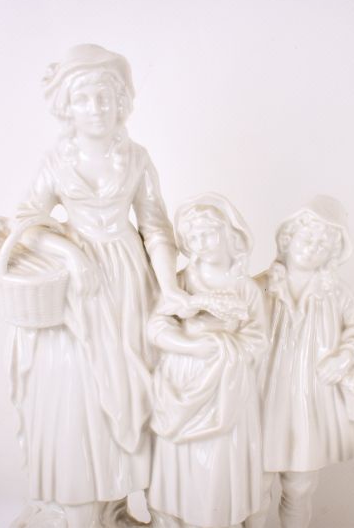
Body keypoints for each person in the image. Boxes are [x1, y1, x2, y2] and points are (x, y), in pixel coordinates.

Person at [8, 44, 187, 528]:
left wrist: (168, 289)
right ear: (67, 106)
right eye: (84, 99)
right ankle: (84, 495)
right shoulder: (56, 160)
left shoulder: (136, 158)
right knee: (81, 388)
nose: (95, 108)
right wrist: (70, 253)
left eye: (104, 97)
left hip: (129, 280)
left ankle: (124, 501)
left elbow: (156, 227)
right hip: (79, 287)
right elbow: (26, 221)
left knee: (137, 386)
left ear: (120, 102)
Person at [253, 196, 354, 528]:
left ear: (333, 253)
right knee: (255, 485)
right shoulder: (258, 286)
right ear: (288, 238)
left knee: (300, 486)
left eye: (323, 244)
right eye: (307, 238)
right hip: (262, 398)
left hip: (309, 402)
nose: (312, 248)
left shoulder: (336, 293)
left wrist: (347, 355)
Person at [146, 194, 267, 528]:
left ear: (229, 233)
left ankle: (217, 517)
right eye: (193, 237)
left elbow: (258, 338)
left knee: (218, 464)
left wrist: (222, 347)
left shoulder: (246, 289)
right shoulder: (180, 284)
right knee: (183, 464)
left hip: (227, 388)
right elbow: (156, 327)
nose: (201, 243)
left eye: (208, 234)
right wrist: (190, 346)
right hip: (182, 380)